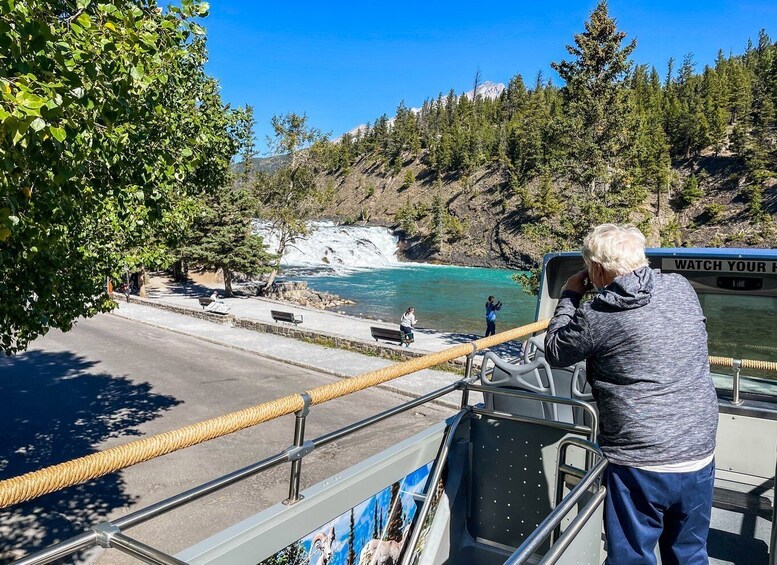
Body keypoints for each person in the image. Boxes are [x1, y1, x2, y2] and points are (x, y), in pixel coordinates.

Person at [544, 224, 718, 564]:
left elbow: (555, 350)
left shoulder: (597, 315)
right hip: (698, 449)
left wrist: (569, 295)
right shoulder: (680, 287)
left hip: (640, 459)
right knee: (690, 551)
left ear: (596, 269)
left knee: (631, 556)